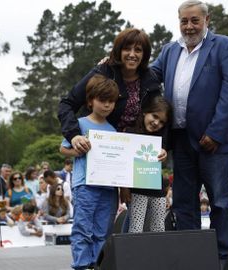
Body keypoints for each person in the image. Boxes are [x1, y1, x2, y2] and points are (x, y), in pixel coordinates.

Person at [150, 1, 228, 261]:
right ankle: (192, 259)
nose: (189, 26)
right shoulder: (169, 50)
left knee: (221, 203)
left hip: (213, 141)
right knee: (183, 204)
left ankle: (222, 258)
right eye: (184, 21)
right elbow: (148, 77)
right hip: (180, 140)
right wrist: (115, 66)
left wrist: (215, 132)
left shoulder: (224, 46)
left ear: (206, 20)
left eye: (194, 20)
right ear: (178, 21)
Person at [58, 28, 162, 153]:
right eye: (127, 49)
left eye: (138, 50)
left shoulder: (151, 79)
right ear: (119, 51)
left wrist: (162, 147)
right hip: (99, 148)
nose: (132, 54)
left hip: (136, 150)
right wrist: (74, 135)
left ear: (144, 54)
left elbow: (161, 115)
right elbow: (67, 104)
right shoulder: (103, 71)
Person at [60, 74, 120, 270]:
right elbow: (63, 149)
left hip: (109, 188)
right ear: (90, 101)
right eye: (103, 100)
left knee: (103, 231)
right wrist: (77, 148)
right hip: (85, 185)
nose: (107, 105)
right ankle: (81, 265)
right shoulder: (80, 124)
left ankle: (96, 265)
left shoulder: (114, 130)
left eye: (111, 101)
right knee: (83, 229)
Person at [120, 96, 171, 233]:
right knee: (135, 228)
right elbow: (123, 162)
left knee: (159, 228)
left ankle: (156, 253)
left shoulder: (161, 139)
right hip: (137, 191)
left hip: (158, 190)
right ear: (145, 112)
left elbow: (163, 158)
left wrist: (164, 153)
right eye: (154, 116)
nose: (156, 123)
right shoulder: (129, 133)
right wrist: (124, 187)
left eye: (161, 122)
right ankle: (130, 254)